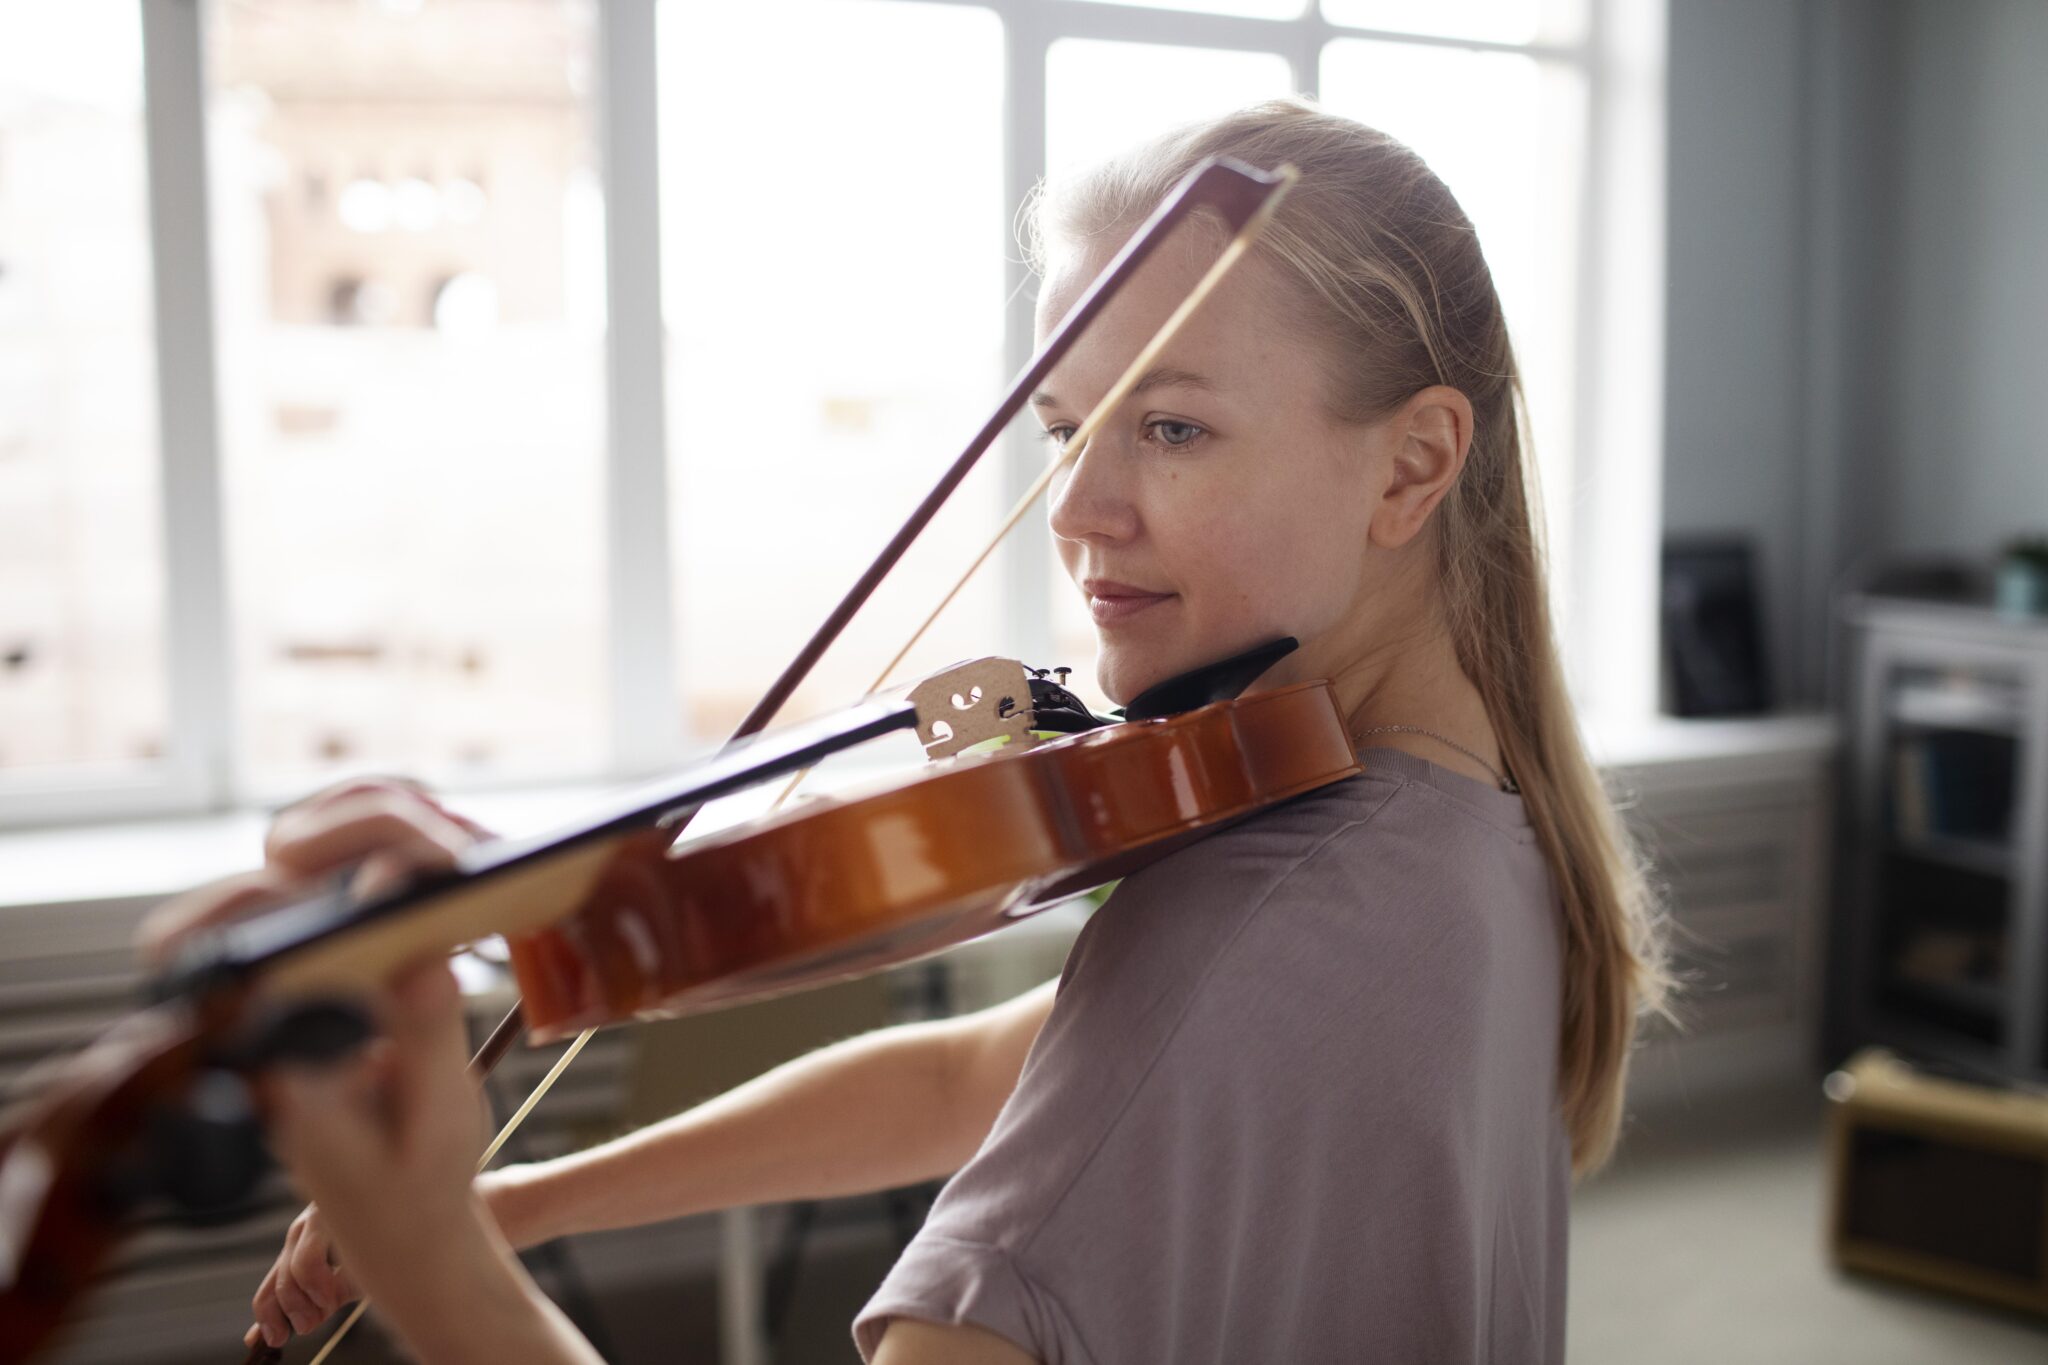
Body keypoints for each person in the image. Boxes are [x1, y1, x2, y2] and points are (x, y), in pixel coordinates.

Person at [143, 97, 1672, 1365]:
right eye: (1070, 428)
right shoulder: (1469, 831)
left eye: (1175, 424)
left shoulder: (1263, 925)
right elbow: (985, 1076)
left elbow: (1161, 1024)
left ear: (1412, 470)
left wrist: (436, 1270)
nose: (1076, 508)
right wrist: (523, 1198)